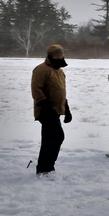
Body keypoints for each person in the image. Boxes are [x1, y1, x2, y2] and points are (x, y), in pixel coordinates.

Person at [30, 44, 73, 175]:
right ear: (50, 56)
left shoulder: (60, 71)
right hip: (45, 110)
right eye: (56, 55)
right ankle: (44, 168)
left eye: (61, 55)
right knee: (56, 136)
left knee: (51, 138)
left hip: (56, 110)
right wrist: (45, 105)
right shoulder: (41, 69)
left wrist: (66, 109)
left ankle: (46, 167)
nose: (59, 57)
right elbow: (36, 90)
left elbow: (61, 91)